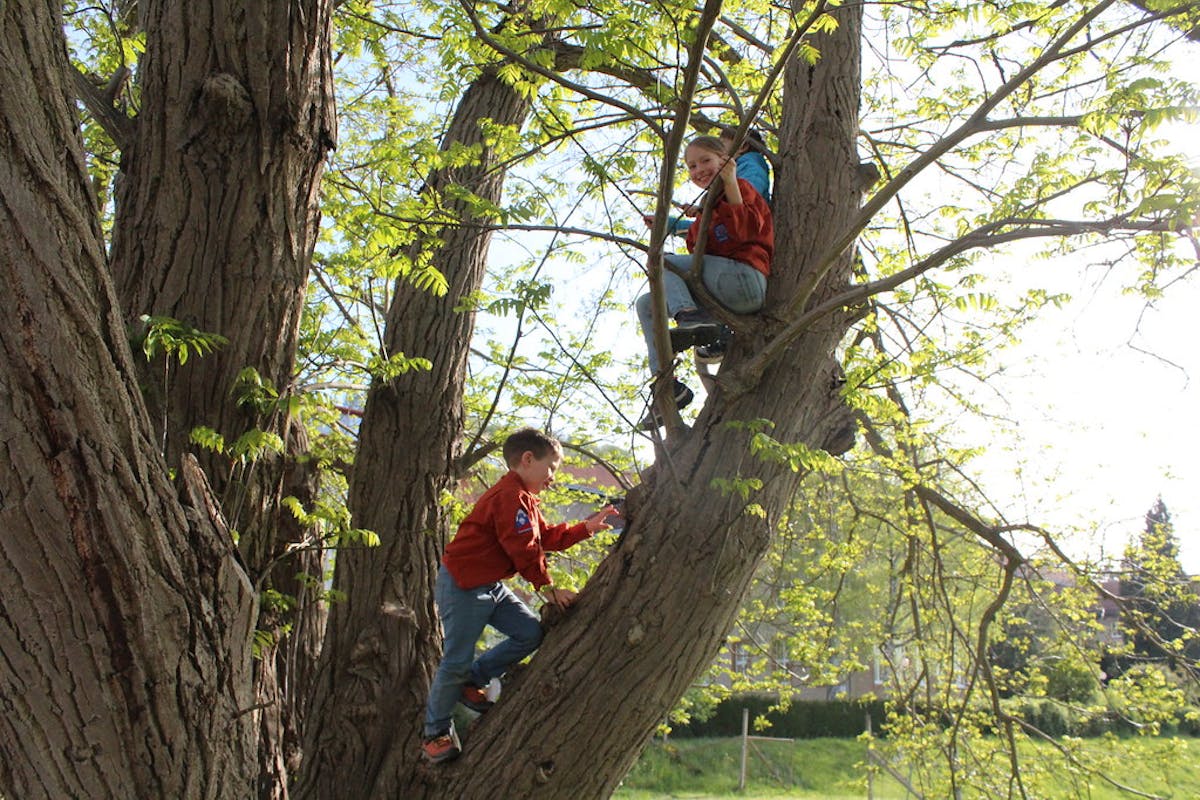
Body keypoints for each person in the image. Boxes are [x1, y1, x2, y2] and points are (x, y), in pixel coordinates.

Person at [421, 428, 617, 763]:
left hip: (490, 584)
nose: (553, 477)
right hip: (464, 585)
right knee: (455, 660)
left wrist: (584, 528)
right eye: (551, 468)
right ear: (527, 460)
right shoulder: (509, 497)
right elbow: (523, 549)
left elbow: (543, 538)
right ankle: (435, 733)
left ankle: (475, 680)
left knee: (529, 633)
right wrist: (548, 588)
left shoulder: (524, 498)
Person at [635, 135, 774, 429]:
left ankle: (690, 320)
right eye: (692, 166)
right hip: (722, 292)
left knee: (663, 261)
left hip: (745, 279)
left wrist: (731, 181)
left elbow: (744, 230)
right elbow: (697, 258)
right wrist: (670, 224)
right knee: (647, 303)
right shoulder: (704, 214)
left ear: (725, 161)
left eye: (706, 161)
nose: (699, 170)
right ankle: (668, 387)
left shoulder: (742, 189)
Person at [665, 127, 772, 237]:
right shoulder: (722, 186)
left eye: (721, 143)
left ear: (742, 146)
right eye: (692, 166)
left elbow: (748, 195)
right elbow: (710, 233)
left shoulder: (750, 164)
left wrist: (729, 185)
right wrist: (670, 225)